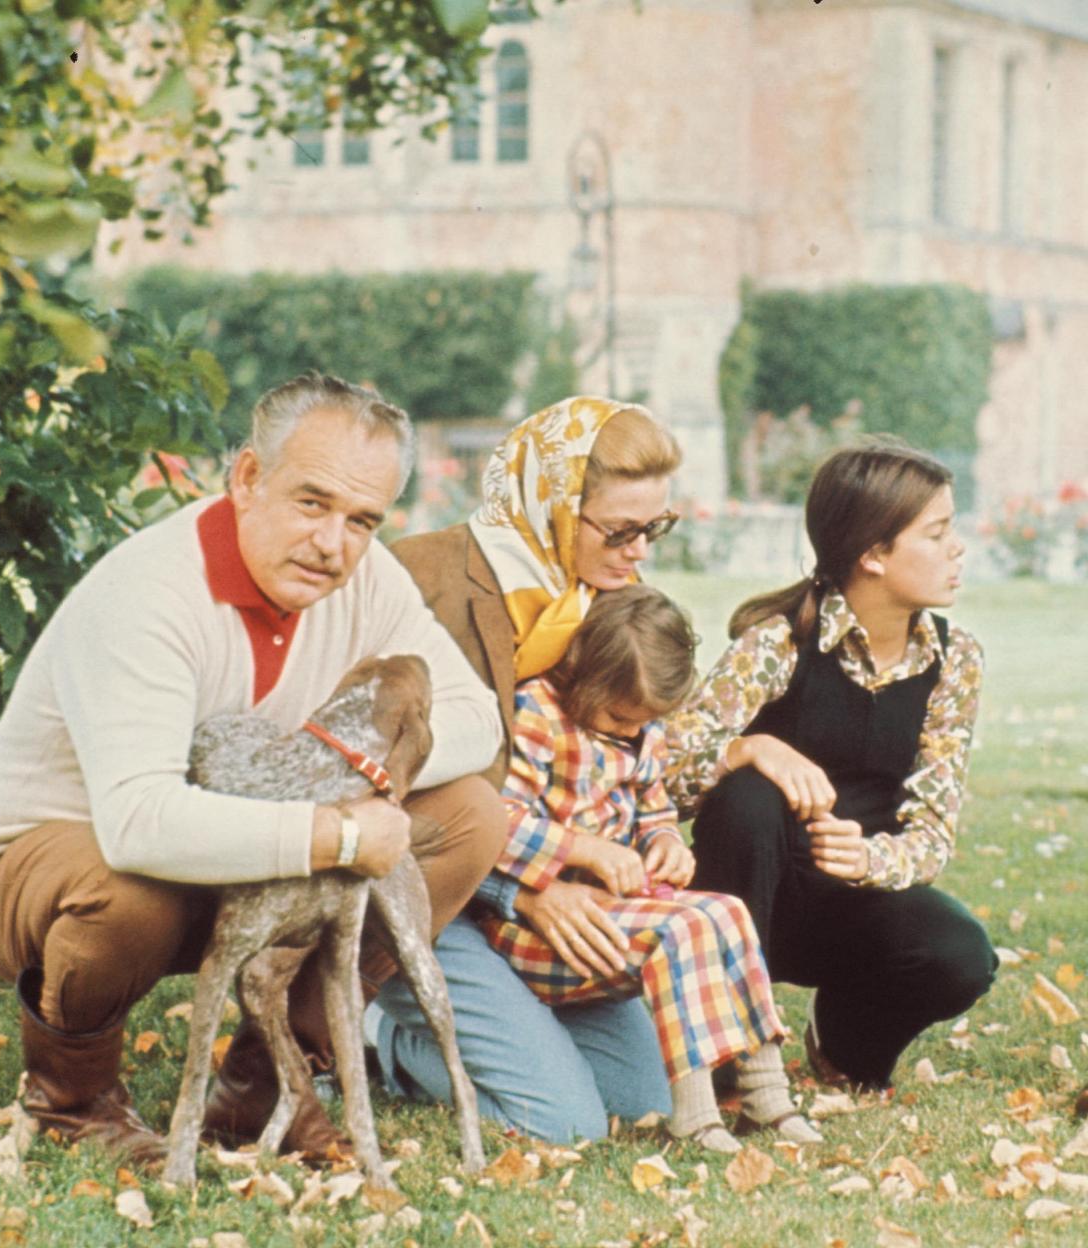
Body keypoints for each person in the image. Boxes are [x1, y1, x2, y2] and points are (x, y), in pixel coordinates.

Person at [0, 373, 506, 1164]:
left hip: (237, 866)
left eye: (363, 520)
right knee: (130, 888)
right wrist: (336, 830)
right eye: (311, 503)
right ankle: (72, 1104)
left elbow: (476, 719)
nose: (333, 545)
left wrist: (345, 764)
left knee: (472, 816)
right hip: (53, 866)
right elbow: (140, 823)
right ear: (247, 478)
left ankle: (265, 1087)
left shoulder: (366, 575)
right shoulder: (149, 593)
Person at [380, 396, 688, 1142]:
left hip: (536, 905)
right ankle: (376, 1040)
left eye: (656, 528)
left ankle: (508, 1036)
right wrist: (522, 887)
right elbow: (377, 790)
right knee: (565, 1124)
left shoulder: (595, 599)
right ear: (551, 502)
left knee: (646, 1103)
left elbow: (637, 749)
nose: (639, 551)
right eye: (620, 530)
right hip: (426, 892)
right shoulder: (420, 578)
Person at [670, 440, 998, 1092]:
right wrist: (747, 749)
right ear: (873, 554)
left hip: (855, 905)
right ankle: (724, 1052)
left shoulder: (954, 661)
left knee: (961, 955)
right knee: (749, 797)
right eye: (936, 533)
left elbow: (931, 832)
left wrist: (870, 860)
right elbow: (665, 770)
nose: (957, 548)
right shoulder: (777, 641)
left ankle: (845, 1043)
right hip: (750, 896)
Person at [482, 585, 821, 1152]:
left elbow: (653, 807)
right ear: (582, 674)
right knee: (682, 928)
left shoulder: (643, 729)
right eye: (619, 716)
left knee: (727, 911)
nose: (632, 732)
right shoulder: (538, 713)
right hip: (537, 927)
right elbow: (496, 822)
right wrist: (586, 850)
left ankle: (766, 1096)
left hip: (613, 916)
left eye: (647, 722)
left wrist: (665, 840)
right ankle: (693, 1117)